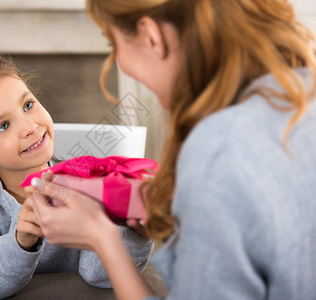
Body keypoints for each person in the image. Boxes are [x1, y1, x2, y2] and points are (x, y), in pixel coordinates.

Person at [28, 1, 316, 299]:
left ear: (151, 36)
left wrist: (101, 238)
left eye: (112, 43)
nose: (119, 62)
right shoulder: (301, 94)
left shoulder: (218, 149)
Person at [0, 54, 153, 299]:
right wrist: (21, 241)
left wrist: (133, 228)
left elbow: (99, 274)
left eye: (28, 105)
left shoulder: (82, 183)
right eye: (3, 126)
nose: (30, 127)